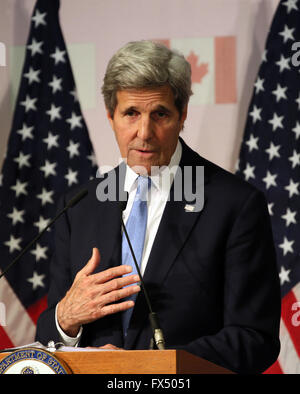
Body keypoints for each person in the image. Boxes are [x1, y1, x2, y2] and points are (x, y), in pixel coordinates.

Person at [36, 40, 281, 374]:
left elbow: (254, 338)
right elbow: (49, 335)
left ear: (182, 116)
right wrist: (66, 319)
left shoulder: (234, 205)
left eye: (160, 114)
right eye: (131, 114)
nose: (144, 133)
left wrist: (146, 367)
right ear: (111, 117)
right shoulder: (80, 206)